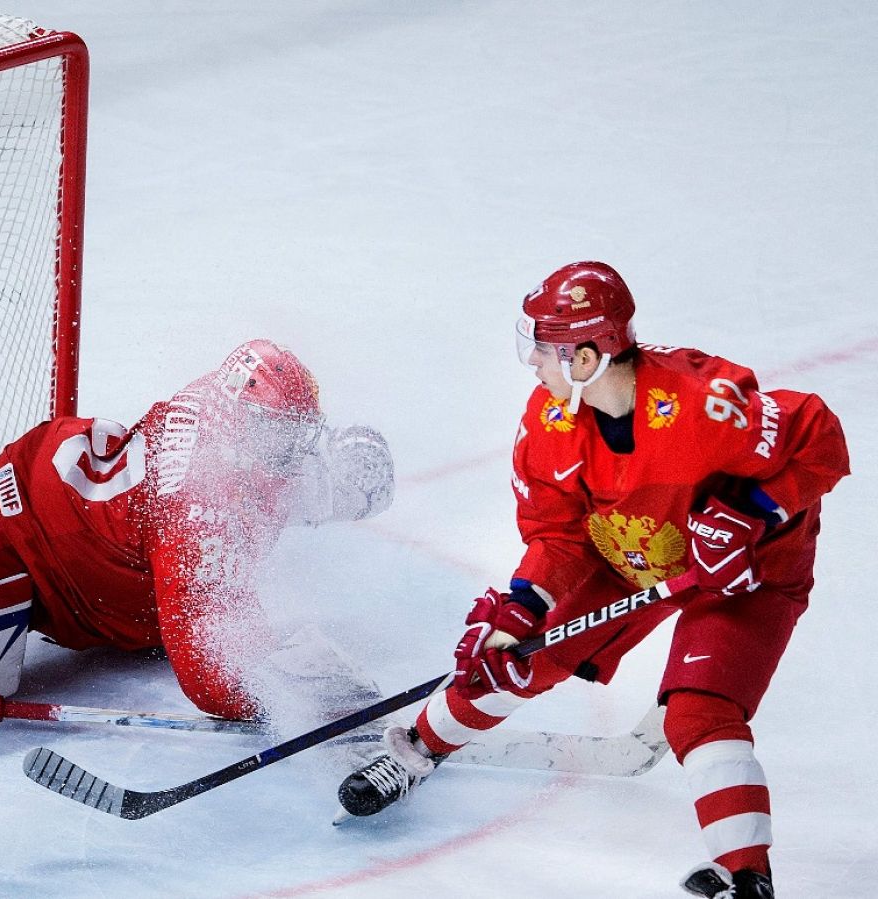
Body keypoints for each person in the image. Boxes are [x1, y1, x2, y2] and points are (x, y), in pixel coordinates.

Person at [335, 261, 848, 899]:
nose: (532, 363)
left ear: (585, 358)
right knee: (509, 660)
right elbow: (558, 534)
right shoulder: (549, 422)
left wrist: (754, 511)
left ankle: (746, 876)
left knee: (701, 713)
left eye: (544, 350)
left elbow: (820, 437)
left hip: (746, 576)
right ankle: (417, 750)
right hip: (626, 552)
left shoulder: (704, 404)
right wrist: (523, 606)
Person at [0, 339, 396, 723]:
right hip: (23, 544)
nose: (294, 449)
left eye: (298, 430)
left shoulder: (225, 411)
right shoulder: (199, 512)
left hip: (55, 501)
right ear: (244, 424)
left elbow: (293, 481)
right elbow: (208, 674)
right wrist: (300, 698)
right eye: (280, 432)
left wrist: (356, 473)